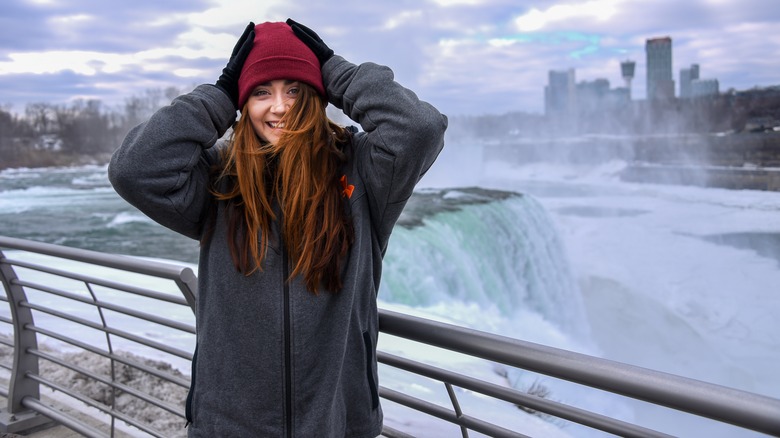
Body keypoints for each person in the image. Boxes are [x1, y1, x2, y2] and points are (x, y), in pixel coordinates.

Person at [108, 19, 447, 437]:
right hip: (228, 425)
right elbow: (133, 169)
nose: (280, 107)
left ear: (318, 97)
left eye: (295, 89)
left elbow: (420, 127)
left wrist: (334, 69)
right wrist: (220, 94)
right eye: (261, 92)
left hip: (336, 420)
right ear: (242, 103)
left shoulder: (364, 172)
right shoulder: (218, 178)